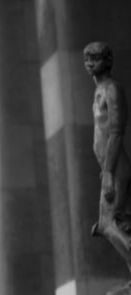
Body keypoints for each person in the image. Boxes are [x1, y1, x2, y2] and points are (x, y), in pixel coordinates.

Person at [84, 41, 131, 273]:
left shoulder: (112, 89)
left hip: (116, 166)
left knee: (106, 224)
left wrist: (110, 172)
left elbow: (116, 132)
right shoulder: (99, 90)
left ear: (108, 61)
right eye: (87, 58)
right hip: (108, 166)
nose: (90, 63)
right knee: (121, 223)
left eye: (95, 58)